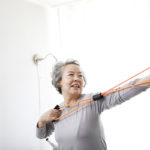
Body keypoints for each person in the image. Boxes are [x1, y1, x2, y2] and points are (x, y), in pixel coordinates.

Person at [36, 59, 150, 150]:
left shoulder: (92, 101)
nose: (77, 78)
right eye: (71, 74)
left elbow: (123, 92)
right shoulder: (56, 112)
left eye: (80, 76)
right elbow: (41, 135)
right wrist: (42, 120)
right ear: (59, 81)